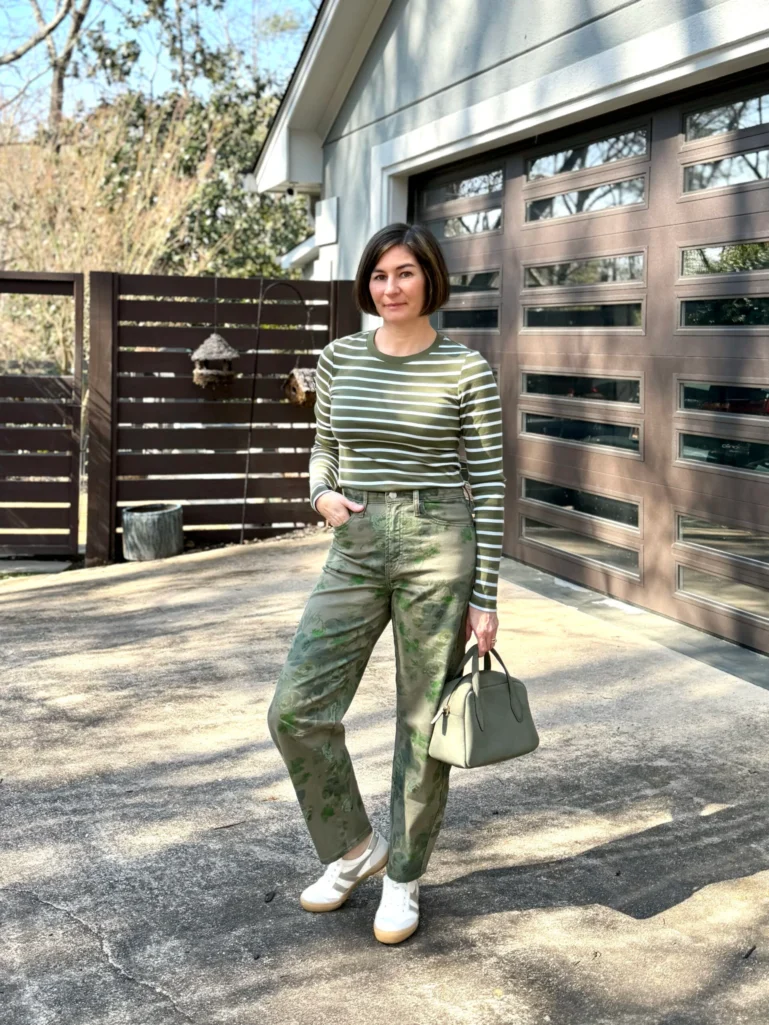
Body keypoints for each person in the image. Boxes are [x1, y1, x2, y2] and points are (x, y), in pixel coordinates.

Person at [267, 222, 505, 944]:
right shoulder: (338, 358)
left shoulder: (465, 369)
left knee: (420, 721)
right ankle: (353, 846)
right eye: (378, 275)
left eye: (404, 273)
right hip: (358, 538)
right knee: (295, 708)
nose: (390, 287)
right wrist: (319, 495)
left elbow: (489, 486)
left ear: (430, 279)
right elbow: (325, 447)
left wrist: (486, 594)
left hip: (439, 541)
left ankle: (403, 875)